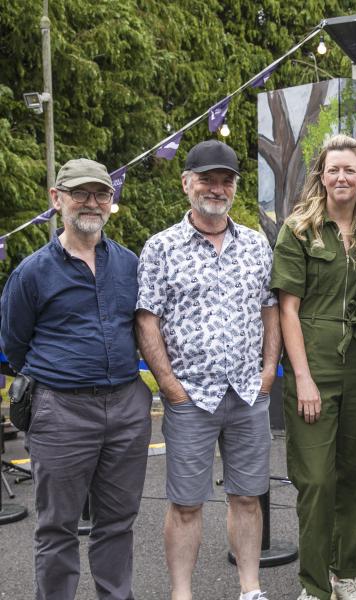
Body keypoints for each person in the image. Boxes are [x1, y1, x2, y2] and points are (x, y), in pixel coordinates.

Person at [0, 159, 153, 600]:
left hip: (126, 408)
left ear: (111, 201)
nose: (91, 203)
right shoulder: (31, 272)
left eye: (100, 194)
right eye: (80, 193)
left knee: (118, 523)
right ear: (56, 199)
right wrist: (62, 377)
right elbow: (14, 345)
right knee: (56, 528)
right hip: (60, 412)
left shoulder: (128, 264)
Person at [135, 140, 281, 600]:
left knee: (247, 496)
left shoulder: (257, 245)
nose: (216, 189)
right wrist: (170, 386)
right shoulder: (161, 247)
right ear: (186, 184)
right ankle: (183, 594)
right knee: (184, 503)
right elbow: (147, 319)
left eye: (225, 181)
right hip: (189, 398)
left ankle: (250, 588)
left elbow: (270, 310)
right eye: (207, 179)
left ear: (235, 187)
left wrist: (269, 372)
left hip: (246, 392)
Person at [271, 134, 356, 600]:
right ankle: (314, 584)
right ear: (320, 174)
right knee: (316, 479)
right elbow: (287, 310)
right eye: (333, 169)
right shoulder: (299, 229)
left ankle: (346, 572)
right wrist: (302, 378)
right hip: (313, 359)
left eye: (350, 170)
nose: (341, 177)